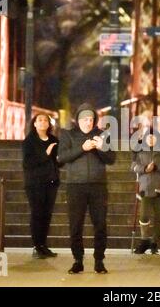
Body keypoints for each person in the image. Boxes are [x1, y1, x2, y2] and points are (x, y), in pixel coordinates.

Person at [58, 103, 116, 274]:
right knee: (75, 225)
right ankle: (78, 260)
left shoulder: (102, 135)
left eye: (91, 119)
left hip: (98, 186)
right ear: (78, 120)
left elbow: (111, 158)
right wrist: (82, 148)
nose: (88, 122)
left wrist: (101, 147)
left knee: (100, 224)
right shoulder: (68, 134)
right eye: (85, 119)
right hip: (75, 186)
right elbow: (62, 157)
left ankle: (99, 260)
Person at [22, 113, 60, 259]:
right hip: (35, 184)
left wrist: (59, 159)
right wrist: (46, 153)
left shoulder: (54, 140)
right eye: (40, 120)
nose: (43, 122)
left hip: (51, 182)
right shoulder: (29, 142)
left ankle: (44, 245)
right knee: (37, 214)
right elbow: (27, 164)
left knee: (47, 215)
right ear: (35, 124)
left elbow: (58, 162)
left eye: (46, 120)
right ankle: (37, 246)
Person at [132, 128, 160, 254]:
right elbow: (133, 166)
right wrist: (144, 168)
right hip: (145, 187)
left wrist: (156, 167)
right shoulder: (139, 149)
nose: (151, 139)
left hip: (159, 186)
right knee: (144, 215)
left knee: (158, 216)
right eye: (148, 137)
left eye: (153, 137)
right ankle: (144, 240)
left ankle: (154, 242)